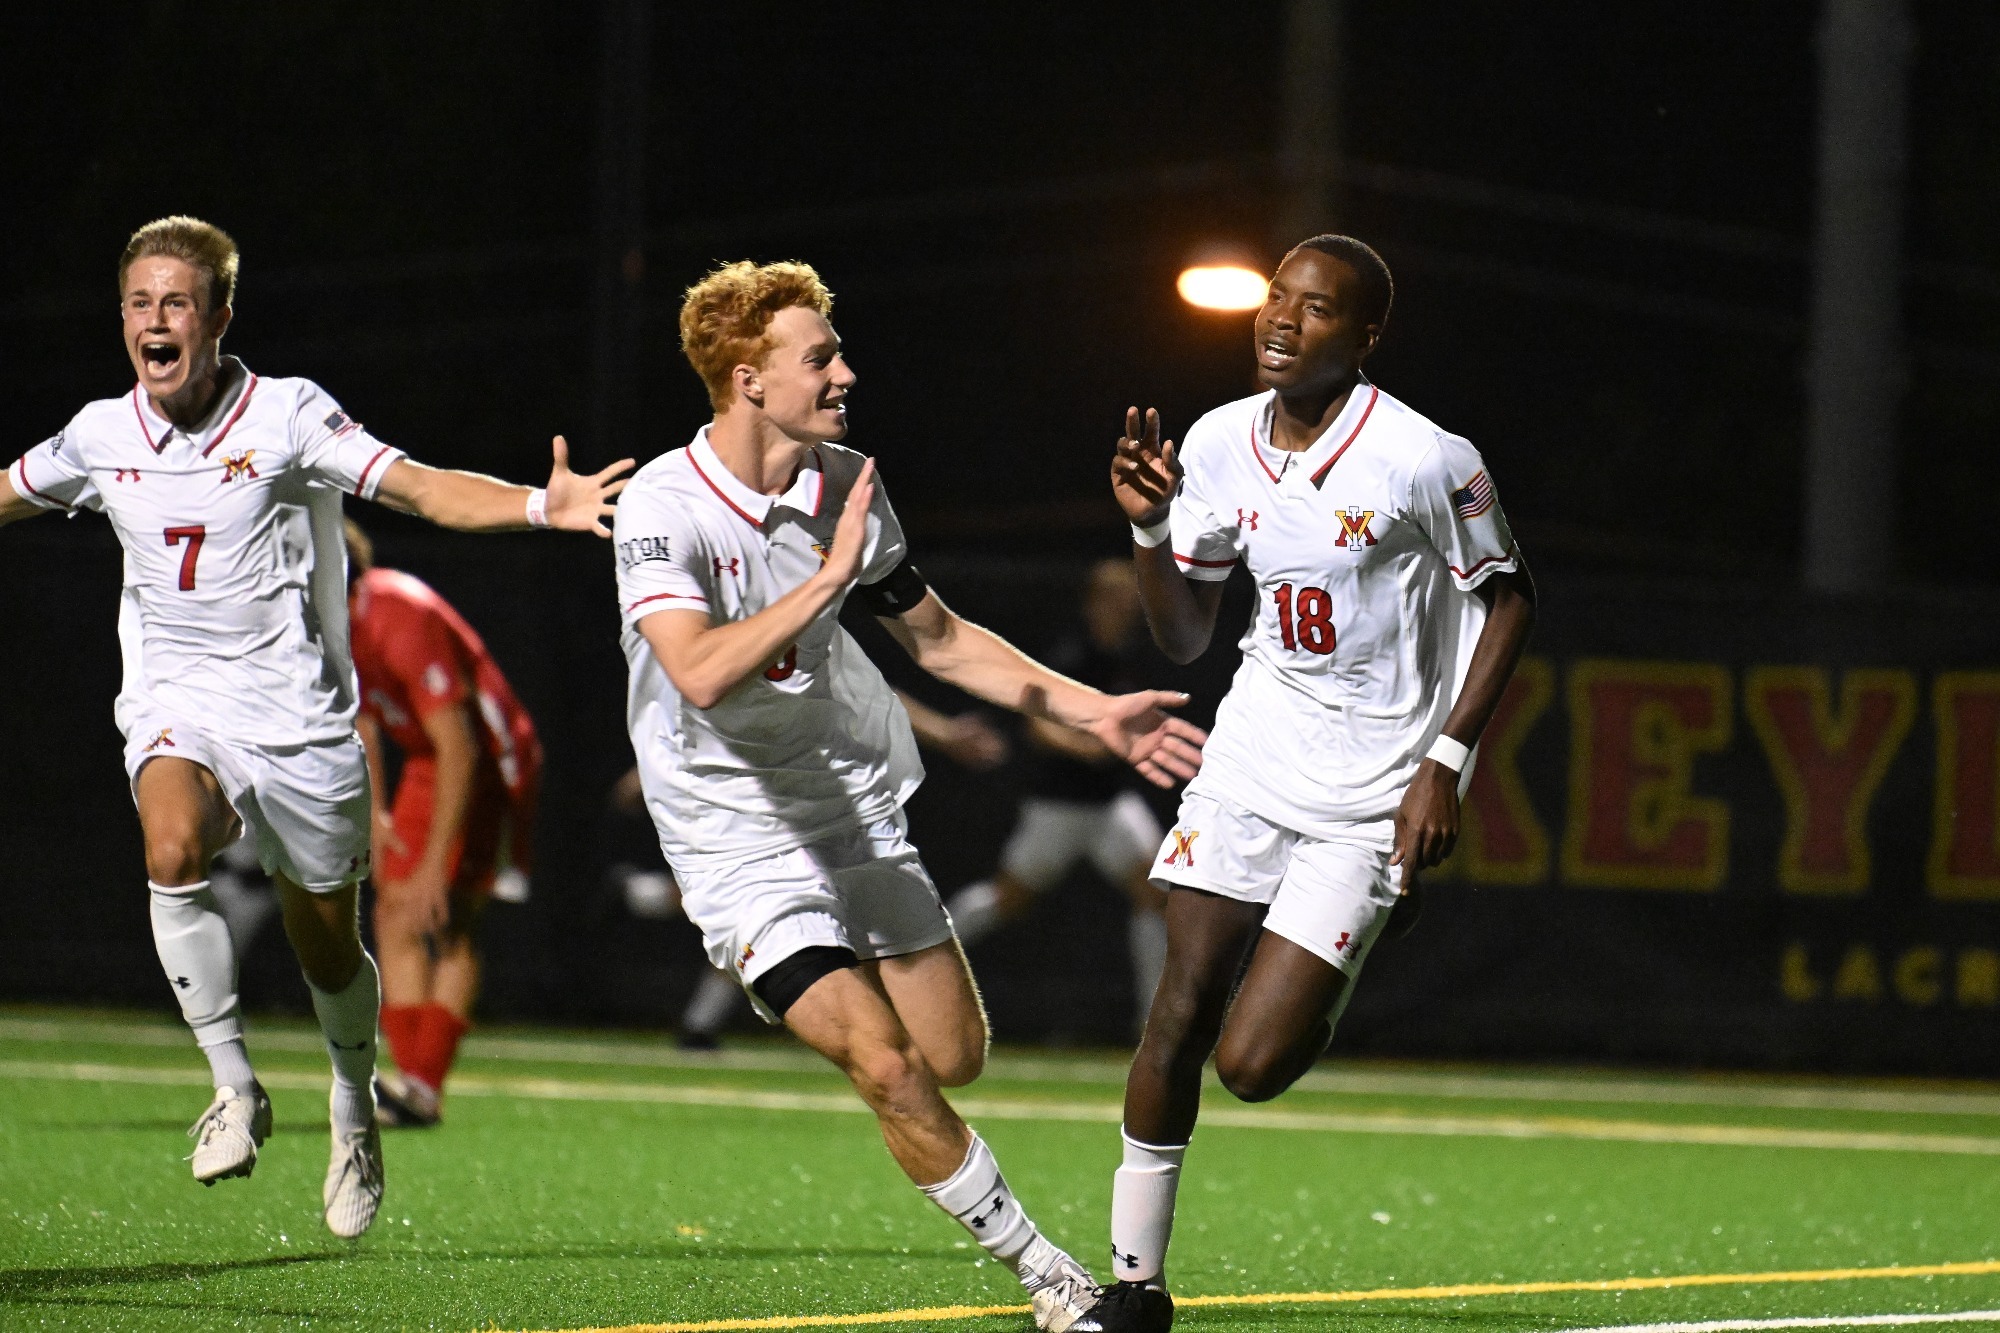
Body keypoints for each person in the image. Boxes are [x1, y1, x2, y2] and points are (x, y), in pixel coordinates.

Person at [0, 216, 628, 1238]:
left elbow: (420, 486)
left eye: (177, 303)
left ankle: (352, 1107)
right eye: (139, 303)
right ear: (121, 317)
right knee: (169, 845)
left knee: (327, 949)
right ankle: (235, 1084)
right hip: (178, 703)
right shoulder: (98, 434)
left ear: (219, 318)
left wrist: (537, 507)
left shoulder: (288, 414)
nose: (156, 322)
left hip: (297, 720)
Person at [614, 259, 1206, 1330]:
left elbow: (937, 639)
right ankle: (1052, 1281)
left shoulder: (846, 484)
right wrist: (824, 581)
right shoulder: (661, 507)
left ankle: (852, 1032)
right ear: (748, 379)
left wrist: (1089, 710)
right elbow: (698, 669)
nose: (845, 371)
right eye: (819, 356)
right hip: (730, 827)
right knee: (886, 1065)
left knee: (951, 1055)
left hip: (846, 801)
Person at [1079, 235, 1538, 1330]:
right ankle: (1132, 1291)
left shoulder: (1426, 457)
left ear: (1366, 335)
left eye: (1316, 307)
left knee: (1250, 1063)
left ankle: (1359, 923)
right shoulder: (1218, 439)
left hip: (1372, 791)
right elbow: (1186, 635)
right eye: (1275, 298)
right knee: (1178, 1006)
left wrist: (1445, 763)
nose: (1280, 320)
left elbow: (1510, 599)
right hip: (1250, 757)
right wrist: (1147, 524)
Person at [612, 692, 1006, 1052]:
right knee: (765, 915)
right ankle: (699, 1022)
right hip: (766, 805)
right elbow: (693, 694)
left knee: (775, 917)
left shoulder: (807, 638)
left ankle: (653, 910)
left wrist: (944, 732)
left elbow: (862, 688)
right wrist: (650, 766)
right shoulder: (727, 633)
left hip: (829, 803)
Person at [345, 520, 543, 1127]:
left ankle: (421, 1088)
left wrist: (434, 864)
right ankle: (410, 1088)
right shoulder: (325, 620)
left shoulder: (397, 610)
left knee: (450, 915)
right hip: (432, 759)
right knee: (392, 913)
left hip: (489, 758)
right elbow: (362, 717)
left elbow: (460, 743)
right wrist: (375, 812)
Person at [945, 559, 1169, 1034]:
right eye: (1114, 599)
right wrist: (1090, 746)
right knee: (1008, 900)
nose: (1124, 609)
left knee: (1156, 892)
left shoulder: (1127, 657)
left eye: (1130, 600)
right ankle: (923, 956)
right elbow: (1037, 726)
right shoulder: (1070, 655)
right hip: (1059, 806)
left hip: (1109, 807)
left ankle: (1156, 1023)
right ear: (1094, 604)